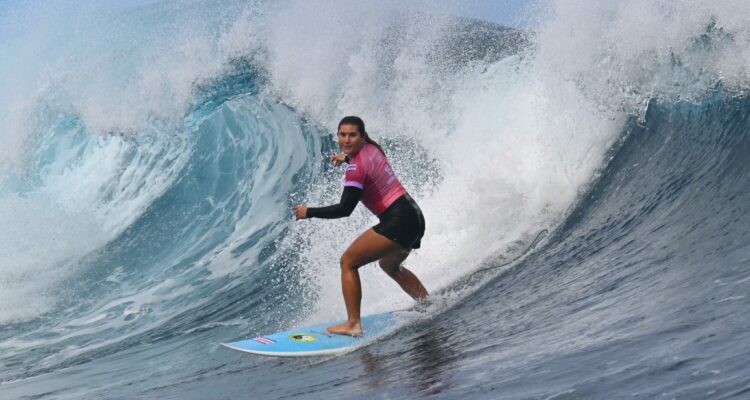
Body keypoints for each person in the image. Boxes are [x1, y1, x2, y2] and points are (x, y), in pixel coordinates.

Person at [293, 116, 428, 337]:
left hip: (398, 221)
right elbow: (365, 161)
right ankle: (427, 303)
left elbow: (344, 209)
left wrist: (309, 212)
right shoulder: (372, 148)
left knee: (348, 262)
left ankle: (353, 324)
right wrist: (346, 158)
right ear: (337, 135)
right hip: (415, 216)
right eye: (342, 134)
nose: (346, 140)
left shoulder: (356, 169)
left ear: (362, 136)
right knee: (389, 266)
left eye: (352, 135)